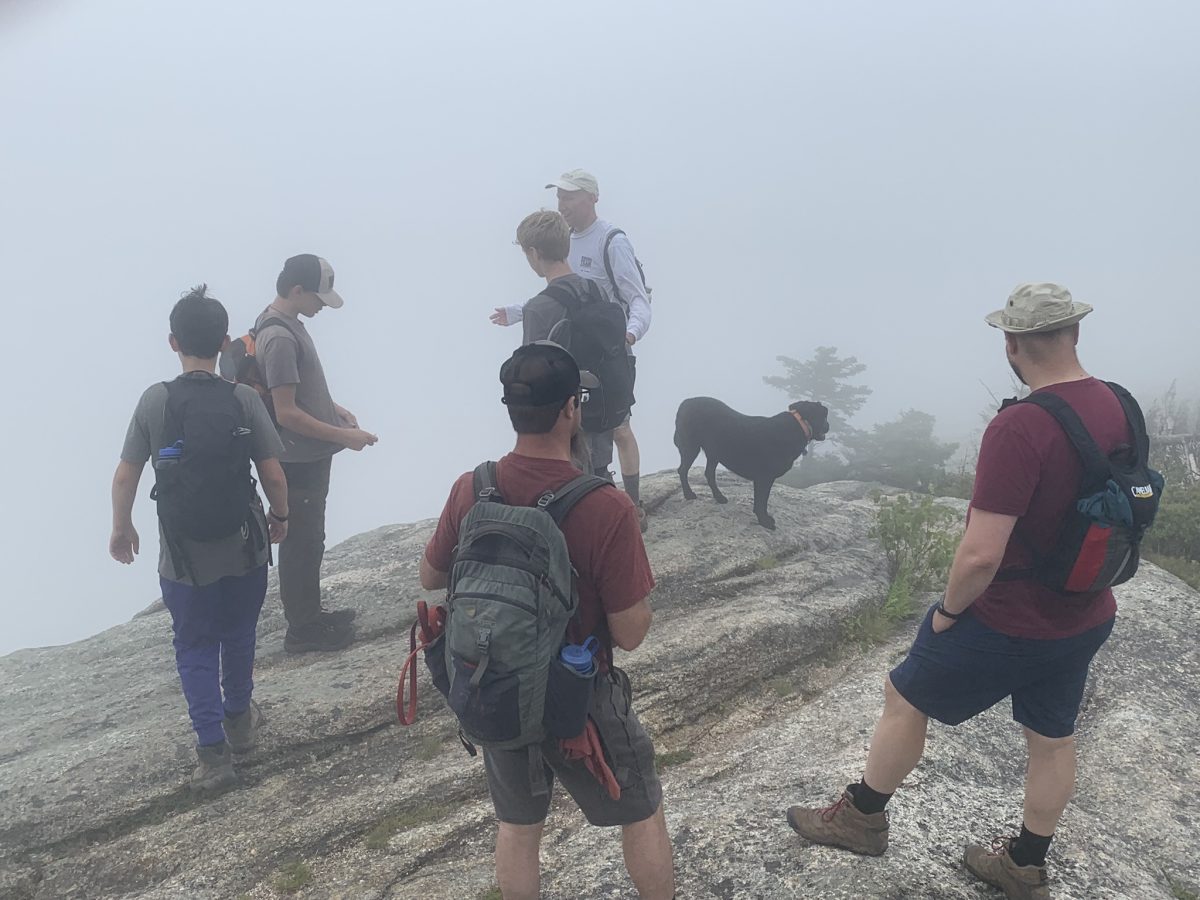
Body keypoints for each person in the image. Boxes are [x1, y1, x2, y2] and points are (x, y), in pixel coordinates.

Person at [786, 284, 1133, 900]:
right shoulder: (1119, 403)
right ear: (1075, 333)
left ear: (1011, 344)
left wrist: (948, 612)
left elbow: (980, 555)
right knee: (1053, 739)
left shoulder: (1020, 426)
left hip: (1012, 617)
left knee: (903, 693)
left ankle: (861, 819)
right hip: (1085, 612)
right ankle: (1024, 865)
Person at [420, 342, 675, 900]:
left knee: (518, 828)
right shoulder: (606, 506)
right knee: (641, 811)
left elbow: (430, 576)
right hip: (578, 698)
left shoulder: (472, 487)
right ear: (570, 409)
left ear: (512, 410)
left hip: (497, 688)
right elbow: (630, 633)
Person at [109, 285, 289, 792]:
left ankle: (213, 754)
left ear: (173, 342)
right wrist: (280, 516)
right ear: (225, 342)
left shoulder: (156, 400)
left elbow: (125, 475)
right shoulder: (243, 398)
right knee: (239, 633)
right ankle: (240, 721)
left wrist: (122, 527)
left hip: (183, 556)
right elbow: (273, 474)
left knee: (194, 645)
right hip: (244, 545)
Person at [491, 170, 650, 518]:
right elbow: (566, 295)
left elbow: (635, 299)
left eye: (569, 196)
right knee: (600, 458)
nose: (562, 204)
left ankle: (631, 506)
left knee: (612, 441)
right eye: (559, 197)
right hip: (597, 384)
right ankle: (623, 514)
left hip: (588, 383)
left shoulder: (611, 241)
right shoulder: (586, 279)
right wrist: (518, 311)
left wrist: (628, 335)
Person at [254, 254, 378, 652]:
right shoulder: (279, 337)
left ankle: (311, 614)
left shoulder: (286, 324)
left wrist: (333, 409)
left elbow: (299, 390)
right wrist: (344, 437)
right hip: (297, 459)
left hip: (308, 455)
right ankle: (302, 630)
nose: (322, 306)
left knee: (311, 538)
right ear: (297, 290)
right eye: (318, 298)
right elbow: (286, 412)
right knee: (302, 542)